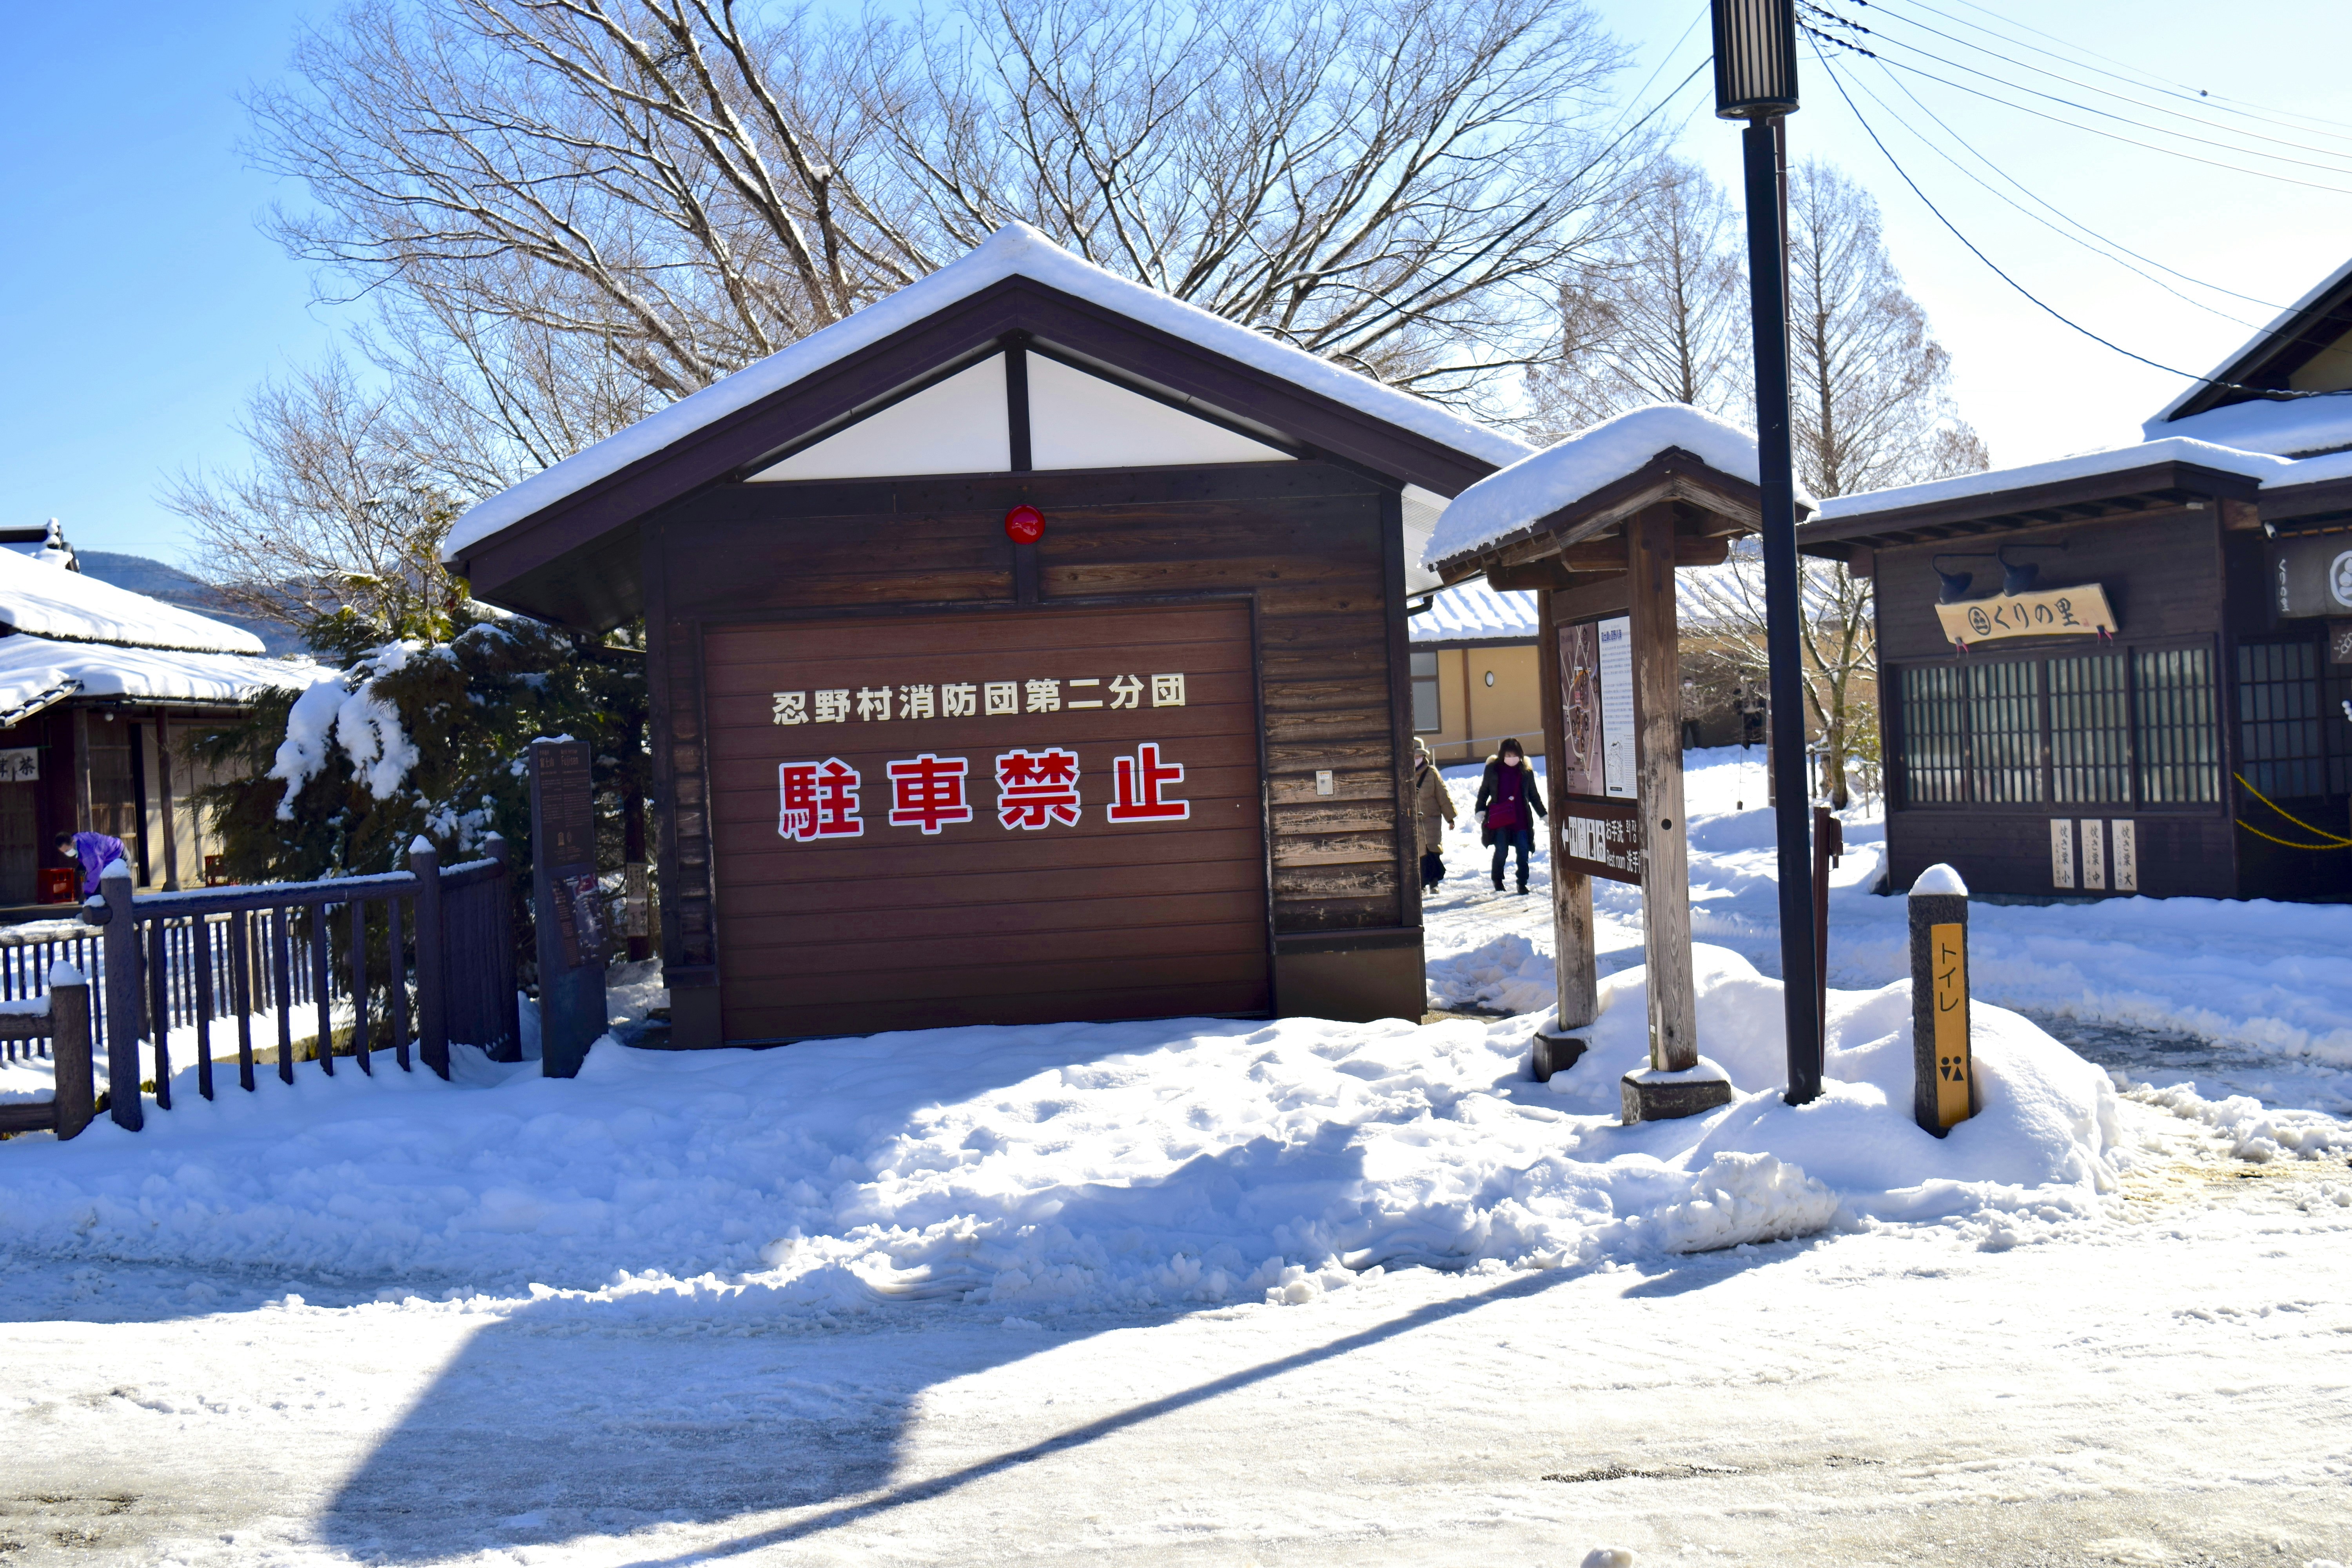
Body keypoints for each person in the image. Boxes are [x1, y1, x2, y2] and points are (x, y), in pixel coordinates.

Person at [1474, 737, 1545, 895]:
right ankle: (1498, 880)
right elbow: (1484, 791)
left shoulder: (1526, 772)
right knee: (1502, 850)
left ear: (1520, 755)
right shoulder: (1493, 770)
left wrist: (1544, 815)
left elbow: (1534, 796)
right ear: (1502, 755)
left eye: (1514, 755)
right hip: (1501, 819)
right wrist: (1480, 809)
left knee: (1523, 851)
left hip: (1521, 819)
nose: (1511, 758)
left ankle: (1522, 883)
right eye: (1508, 755)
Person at [1411, 740, 1455, 892]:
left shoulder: (1432, 773)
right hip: (1413, 821)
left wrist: (1450, 817)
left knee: (1433, 851)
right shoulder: (1403, 774)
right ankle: (1422, 884)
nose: (1417, 759)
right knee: (1419, 854)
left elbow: (1442, 795)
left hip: (1432, 820)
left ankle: (1434, 882)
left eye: (1420, 756)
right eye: (1414, 756)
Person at [58, 830, 128, 897]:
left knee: (116, 892)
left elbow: (95, 873)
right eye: (64, 852)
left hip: (120, 857)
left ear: (73, 843)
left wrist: (88, 892)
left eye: (67, 851)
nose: (66, 853)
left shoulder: (89, 855)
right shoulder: (78, 838)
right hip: (109, 856)